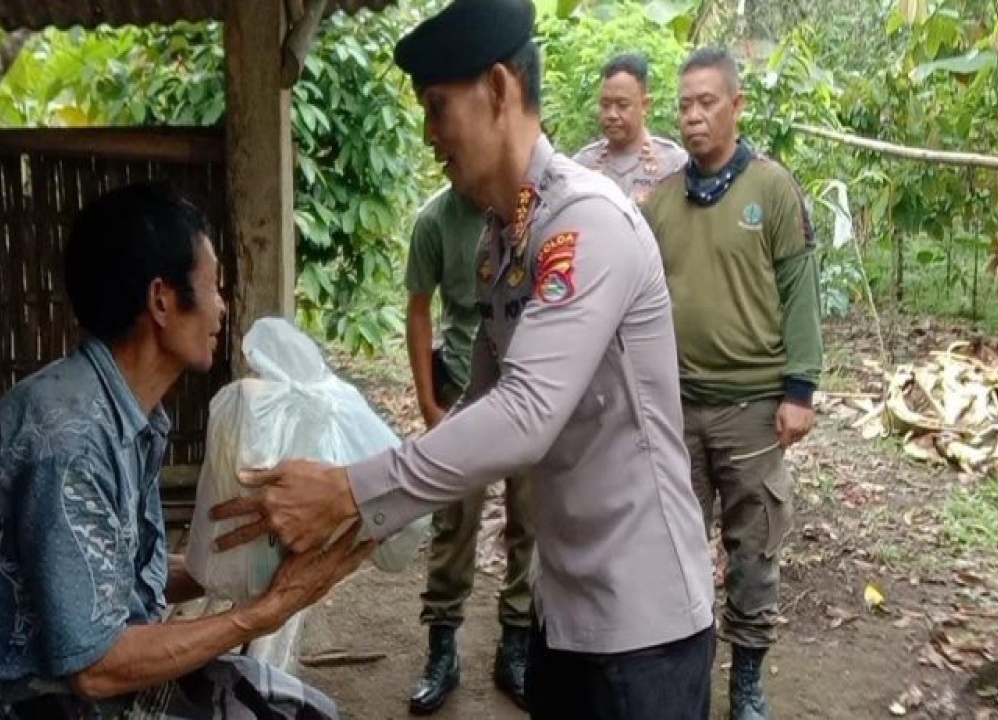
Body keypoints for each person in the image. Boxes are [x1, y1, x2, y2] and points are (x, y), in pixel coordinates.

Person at [209, 1, 717, 718]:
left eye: (439, 107)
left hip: (643, 623)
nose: (427, 135)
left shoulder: (587, 224)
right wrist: (350, 515)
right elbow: (478, 407)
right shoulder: (503, 240)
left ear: (501, 91)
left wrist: (350, 490)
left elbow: (525, 414)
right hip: (565, 609)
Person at [0, 183, 370, 719]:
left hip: (89, 684)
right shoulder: (69, 442)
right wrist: (267, 609)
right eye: (214, 288)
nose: (222, 309)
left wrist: (235, 560)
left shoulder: (121, 412)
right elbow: (95, 667)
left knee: (310, 712)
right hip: (42, 704)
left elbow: (106, 576)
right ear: (162, 301)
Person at [641, 46, 824, 720]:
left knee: (753, 550)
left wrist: (799, 390)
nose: (692, 116)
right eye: (684, 104)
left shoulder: (772, 190)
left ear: (737, 105)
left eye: (706, 102)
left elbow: (800, 289)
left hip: (752, 407)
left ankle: (746, 679)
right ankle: (681, 675)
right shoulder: (659, 203)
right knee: (674, 549)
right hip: (676, 406)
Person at [403, 184, 535, 713]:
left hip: (528, 390)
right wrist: (429, 405)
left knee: (532, 519)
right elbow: (419, 309)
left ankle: (517, 645)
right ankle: (442, 648)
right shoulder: (435, 218)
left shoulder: (532, 208)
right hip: (463, 389)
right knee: (453, 522)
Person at [572, 53, 688, 204]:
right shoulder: (582, 165)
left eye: (622, 105)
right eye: (605, 105)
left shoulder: (674, 165)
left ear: (645, 104)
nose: (612, 115)